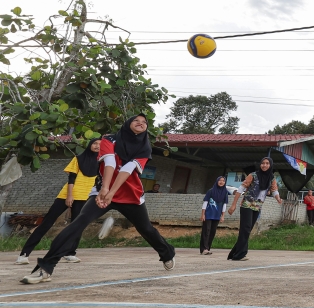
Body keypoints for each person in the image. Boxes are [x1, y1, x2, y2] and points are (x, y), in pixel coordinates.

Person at [21, 115, 176, 284]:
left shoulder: (145, 147)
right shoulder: (109, 139)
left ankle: (167, 253)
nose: (141, 123)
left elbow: (127, 169)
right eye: (136, 120)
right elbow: (109, 163)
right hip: (102, 191)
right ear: (127, 123)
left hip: (130, 195)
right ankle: (46, 267)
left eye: (145, 122)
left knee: (146, 229)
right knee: (79, 223)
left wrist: (111, 192)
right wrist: (105, 190)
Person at [16, 138, 102, 265]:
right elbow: (71, 179)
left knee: (77, 226)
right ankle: (24, 254)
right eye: (95, 143)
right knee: (47, 222)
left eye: (100, 144)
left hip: (84, 197)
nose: (97, 146)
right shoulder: (78, 159)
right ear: (89, 145)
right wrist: (69, 196)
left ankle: (70, 253)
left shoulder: (102, 163)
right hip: (67, 195)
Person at [227, 157, 282, 262]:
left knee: (247, 230)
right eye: (262, 163)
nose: (264, 165)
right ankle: (240, 254)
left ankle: (234, 253)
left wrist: (278, 198)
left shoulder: (271, 178)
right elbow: (241, 189)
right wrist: (233, 205)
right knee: (246, 228)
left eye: (267, 163)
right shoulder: (253, 175)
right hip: (247, 205)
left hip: (257, 207)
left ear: (270, 165)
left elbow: (274, 190)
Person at [200, 176, 228, 255]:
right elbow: (205, 202)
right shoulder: (211, 191)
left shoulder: (225, 192)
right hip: (208, 214)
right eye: (220, 180)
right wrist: (203, 214)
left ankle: (208, 248)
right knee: (206, 231)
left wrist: (222, 216)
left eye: (223, 181)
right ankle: (204, 249)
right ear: (217, 181)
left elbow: (224, 205)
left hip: (216, 215)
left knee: (212, 232)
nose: (221, 182)